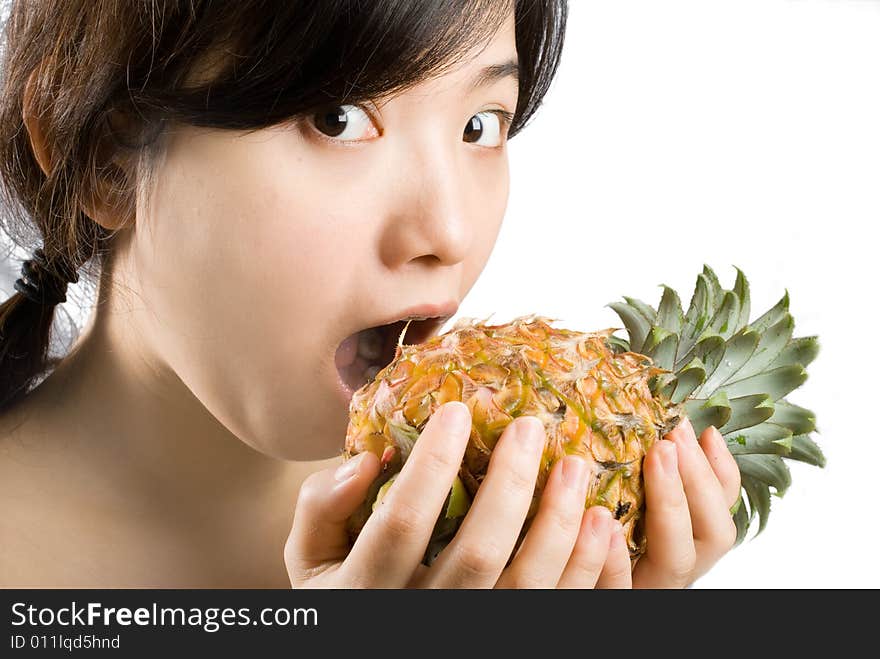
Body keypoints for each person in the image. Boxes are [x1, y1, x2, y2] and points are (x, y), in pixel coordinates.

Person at [0, 0, 739, 588]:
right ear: (101, 155)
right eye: (339, 119)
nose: (448, 231)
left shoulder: (514, 543)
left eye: (481, 126)